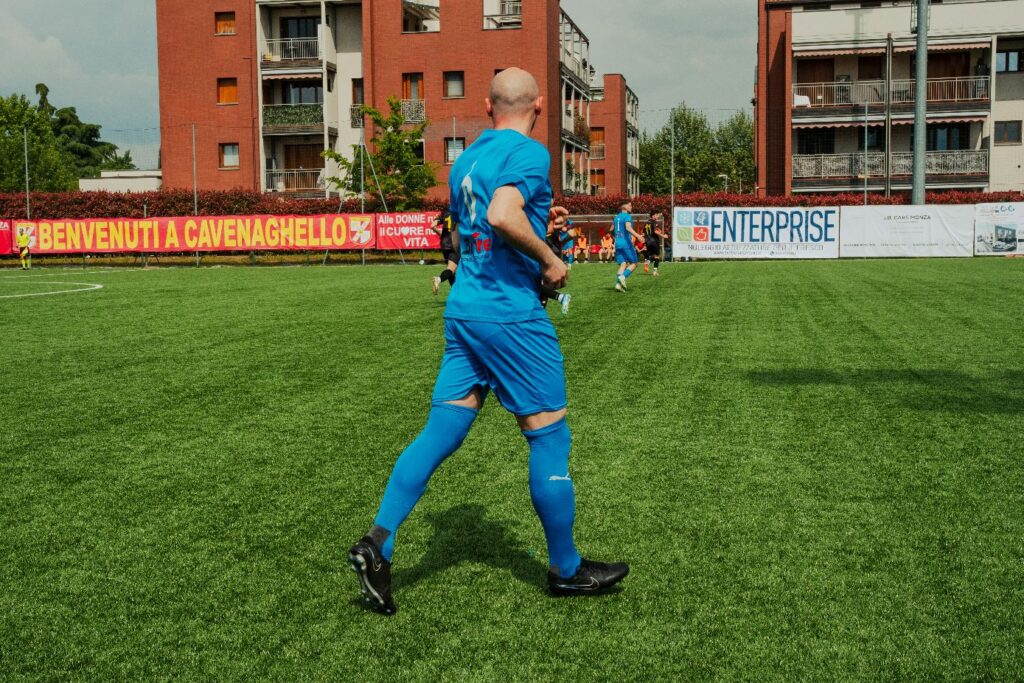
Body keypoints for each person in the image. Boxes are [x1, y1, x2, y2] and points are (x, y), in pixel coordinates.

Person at [348, 67, 628, 616]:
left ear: (486, 105)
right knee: (549, 437)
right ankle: (567, 570)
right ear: (541, 106)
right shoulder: (529, 153)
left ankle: (378, 543)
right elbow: (501, 215)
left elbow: (470, 230)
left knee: (439, 433)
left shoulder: (467, 159)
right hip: (510, 316)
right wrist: (549, 259)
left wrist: (540, 225)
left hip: (465, 312)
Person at [612, 201, 643, 292]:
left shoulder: (616, 217)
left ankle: (618, 285)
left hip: (617, 243)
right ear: (624, 207)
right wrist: (638, 236)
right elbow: (628, 227)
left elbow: (612, 229)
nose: (631, 207)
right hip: (626, 243)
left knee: (623, 263)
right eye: (630, 205)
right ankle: (623, 277)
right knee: (634, 263)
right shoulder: (627, 216)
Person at [431, 210, 459, 295]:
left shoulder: (445, 213)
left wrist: (440, 233)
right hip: (454, 244)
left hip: (444, 244)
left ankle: (456, 293)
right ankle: (438, 279)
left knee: (451, 271)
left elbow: (432, 226)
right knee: (451, 269)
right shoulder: (460, 211)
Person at [644, 211, 668, 277]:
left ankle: (648, 262)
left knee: (652, 255)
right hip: (654, 241)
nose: (658, 216)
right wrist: (663, 236)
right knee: (657, 256)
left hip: (647, 241)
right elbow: (655, 231)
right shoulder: (654, 222)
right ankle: (652, 268)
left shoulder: (646, 223)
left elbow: (644, 233)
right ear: (653, 215)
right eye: (657, 215)